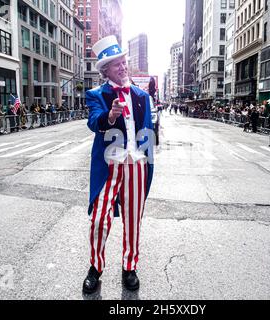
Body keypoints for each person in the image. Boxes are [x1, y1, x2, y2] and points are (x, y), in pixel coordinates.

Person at [83, 35, 154, 293]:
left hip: (136, 164)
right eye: (116, 64)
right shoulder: (96, 95)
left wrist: (148, 160)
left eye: (124, 62)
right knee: (100, 219)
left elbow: (147, 128)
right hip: (109, 167)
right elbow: (93, 122)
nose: (123, 67)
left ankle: (129, 266)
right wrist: (109, 116)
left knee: (133, 220)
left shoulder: (141, 96)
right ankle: (96, 267)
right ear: (105, 70)